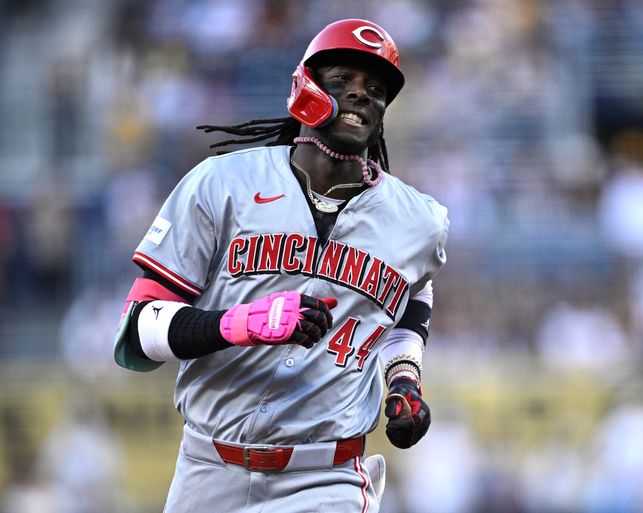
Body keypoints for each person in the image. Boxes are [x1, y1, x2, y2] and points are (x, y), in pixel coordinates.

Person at [113, 18, 448, 513]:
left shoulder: (418, 220)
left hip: (326, 476)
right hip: (209, 469)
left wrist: (403, 377)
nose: (361, 95)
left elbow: (411, 298)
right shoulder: (220, 184)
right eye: (343, 81)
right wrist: (239, 324)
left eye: (375, 89)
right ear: (305, 87)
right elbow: (140, 330)